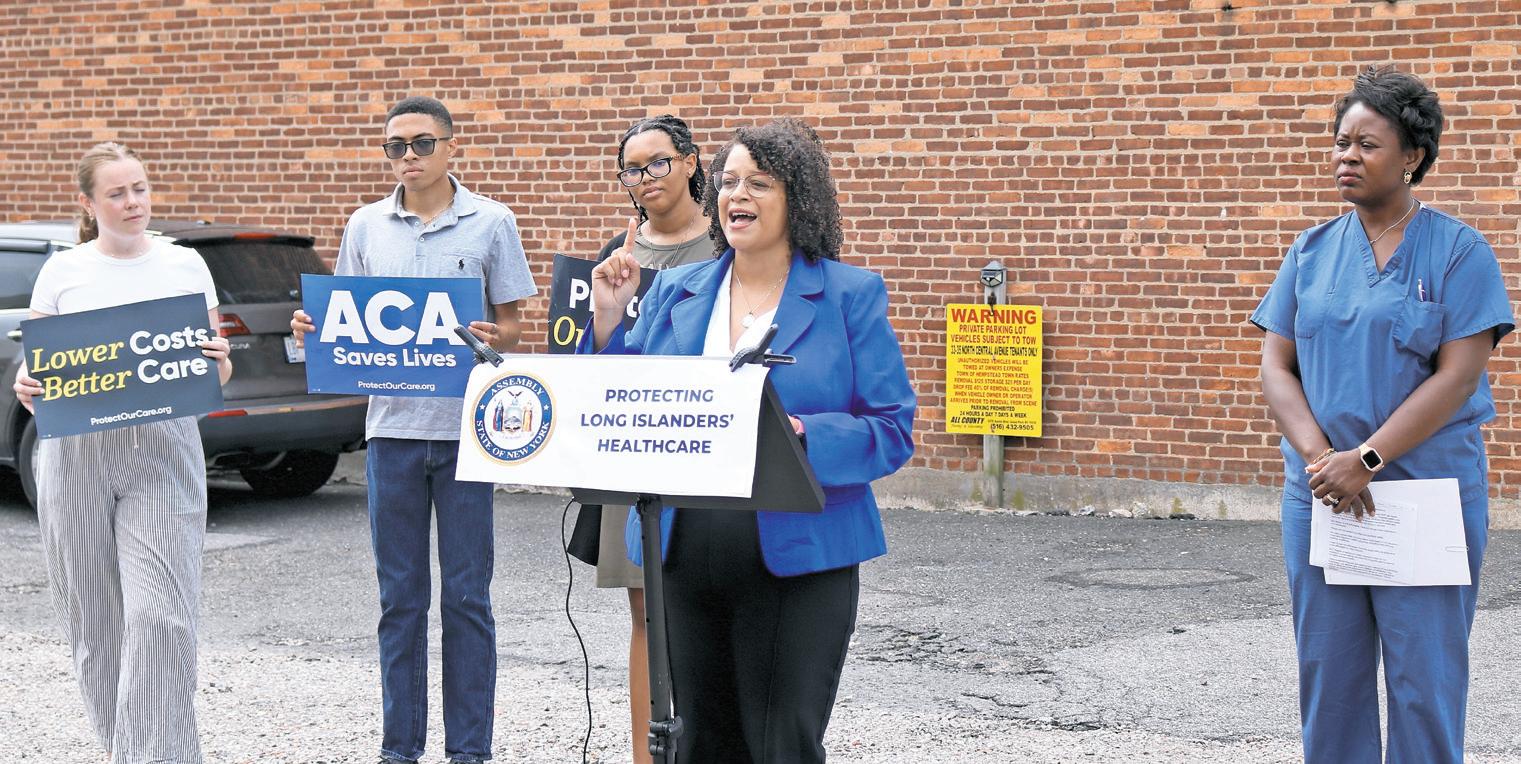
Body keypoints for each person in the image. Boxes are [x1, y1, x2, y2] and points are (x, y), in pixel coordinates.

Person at [586, 117, 916, 762]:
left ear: (798, 198)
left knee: (780, 742)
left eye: (759, 183)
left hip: (800, 552)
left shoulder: (849, 295)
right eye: (730, 181)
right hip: (681, 546)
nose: (737, 194)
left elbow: (890, 428)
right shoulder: (674, 291)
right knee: (697, 741)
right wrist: (607, 318)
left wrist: (800, 434)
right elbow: (620, 402)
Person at [1252, 66, 1514, 764]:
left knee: (1424, 679)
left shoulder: (1458, 252)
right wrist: (1324, 462)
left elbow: (1458, 377)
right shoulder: (1310, 252)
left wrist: (1366, 459)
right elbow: (1276, 366)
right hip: (1324, 496)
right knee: (1330, 677)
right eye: (1341, 142)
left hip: (1422, 493)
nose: (1346, 156)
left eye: (1366, 145)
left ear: (1412, 157)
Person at [290, 96, 536, 764]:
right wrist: (313, 331)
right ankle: (399, 749)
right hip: (391, 434)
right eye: (395, 146)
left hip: (466, 438)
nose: (408, 157)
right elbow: (346, 321)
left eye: (422, 143)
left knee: (466, 599)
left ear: (451, 146)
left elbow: (515, 324)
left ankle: (469, 752)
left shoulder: (492, 222)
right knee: (399, 600)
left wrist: (494, 337)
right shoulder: (365, 226)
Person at [12, 142, 233, 763]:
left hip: (163, 448)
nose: (133, 202)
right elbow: (37, 365)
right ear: (88, 204)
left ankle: (162, 756)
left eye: (139, 188)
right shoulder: (64, 270)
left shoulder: (186, 264)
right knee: (95, 620)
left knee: (162, 614)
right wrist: (27, 382)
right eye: (117, 193)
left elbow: (214, 369)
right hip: (76, 454)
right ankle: (121, 750)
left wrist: (220, 363)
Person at [579, 114, 711, 764]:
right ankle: (645, 757)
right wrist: (605, 316)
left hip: (705, 446)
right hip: (633, 448)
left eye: (657, 162)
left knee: (710, 610)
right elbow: (596, 364)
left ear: (690, 161)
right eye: (632, 169)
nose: (645, 177)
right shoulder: (619, 253)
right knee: (646, 616)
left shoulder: (730, 242)